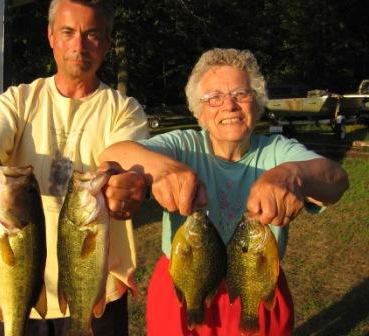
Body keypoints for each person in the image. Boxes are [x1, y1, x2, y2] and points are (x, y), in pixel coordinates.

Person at [100, 48, 349, 336]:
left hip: (255, 281)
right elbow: (114, 152)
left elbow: (337, 180)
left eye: (241, 94)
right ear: (200, 112)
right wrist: (163, 168)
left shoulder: (278, 150)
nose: (228, 105)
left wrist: (294, 175)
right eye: (214, 98)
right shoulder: (183, 145)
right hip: (184, 281)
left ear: (257, 104)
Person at [0, 0, 149, 335]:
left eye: (92, 34)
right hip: (14, 287)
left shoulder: (124, 110)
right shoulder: (18, 101)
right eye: (68, 32)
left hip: (98, 291)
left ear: (108, 42)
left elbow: (123, 158)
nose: (79, 45)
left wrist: (125, 181)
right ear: (51, 35)